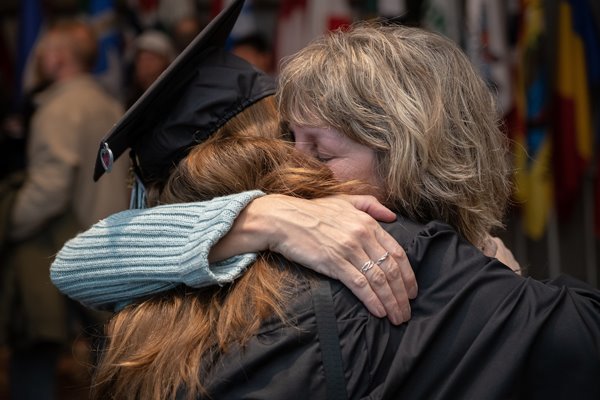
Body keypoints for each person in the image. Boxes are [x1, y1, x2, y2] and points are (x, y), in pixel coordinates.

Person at [54, 2, 599, 398]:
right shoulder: (400, 264)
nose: (295, 165)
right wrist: (261, 217)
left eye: (321, 148)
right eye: (291, 140)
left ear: (408, 152)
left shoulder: (224, 272)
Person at [0, 19, 129, 399]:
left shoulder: (58, 108)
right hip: (110, 243)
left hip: (66, 246)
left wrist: (9, 222)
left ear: (56, 58)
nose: (38, 58)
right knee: (109, 358)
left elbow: (50, 188)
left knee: (35, 346)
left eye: (43, 52)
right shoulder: (109, 101)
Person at [126, 29, 176, 107]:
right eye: (140, 59)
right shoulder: (131, 101)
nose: (144, 64)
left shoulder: (174, 98)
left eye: (150, 59)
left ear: (166, 63)